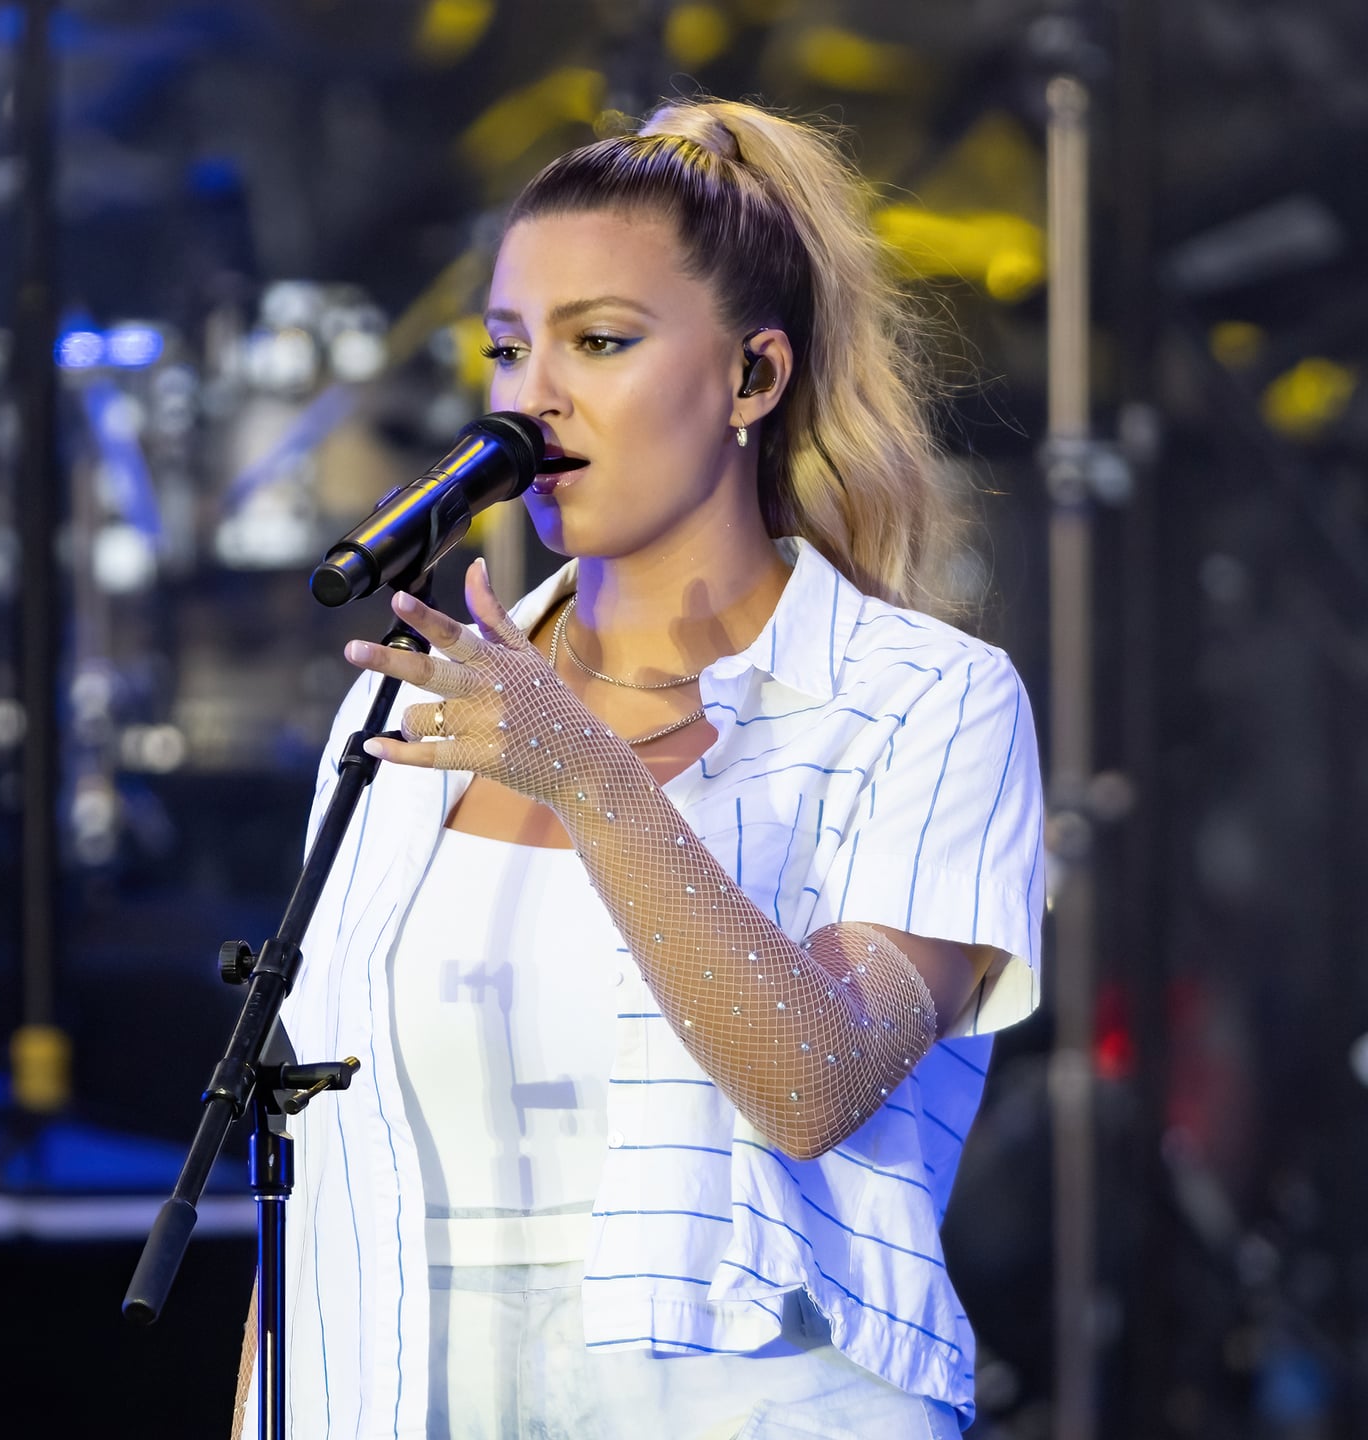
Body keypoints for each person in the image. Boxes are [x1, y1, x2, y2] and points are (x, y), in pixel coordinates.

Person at [231, 95, 1044, 1440]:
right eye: (506, 347)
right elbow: (313, 1168)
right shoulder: (427, 707)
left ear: (753, 379)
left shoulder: (925, 706)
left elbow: (814, 1085)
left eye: (599, 341)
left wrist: (595, 781)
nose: (530, 399)